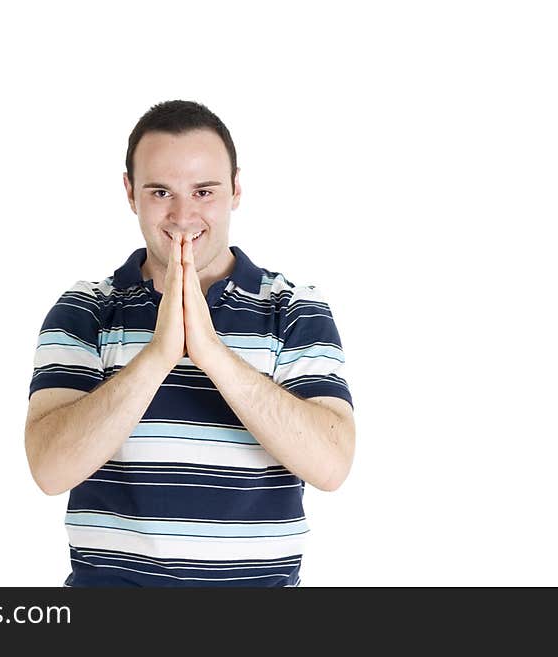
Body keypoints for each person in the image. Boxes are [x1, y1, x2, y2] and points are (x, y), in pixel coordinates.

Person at [24, 99, 355, 587]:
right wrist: (158, 355)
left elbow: (331, 466)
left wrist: (212, 355)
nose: (183, 215)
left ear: (236, 189)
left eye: (204, 191)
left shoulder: (294, 308)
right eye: (161, 191)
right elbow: (50, 471)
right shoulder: (85, 311)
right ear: (130, 193)